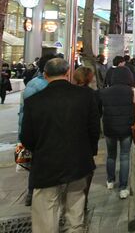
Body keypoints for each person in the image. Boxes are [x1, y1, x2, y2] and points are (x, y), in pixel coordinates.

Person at [21, 58, 100, 233]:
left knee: (45, 215)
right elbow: (94, 130)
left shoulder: (34, 101)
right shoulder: (85, 96)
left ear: (45, 75)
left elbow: (26, 137)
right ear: (67, 73)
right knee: (75, 212)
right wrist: (90, 152)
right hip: (78, 162)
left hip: (46, 164)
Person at [98, 66, 135, 199]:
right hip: (126, 128)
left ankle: (110, 181)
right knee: (124, 156)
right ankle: (123, 188)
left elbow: (99, 109)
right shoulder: (132, 91)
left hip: (109, 127)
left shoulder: (104, 92)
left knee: (111, 155)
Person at [18, 54, 56, 206]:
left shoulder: (32, 83)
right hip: (43, 132)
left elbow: (23, 113)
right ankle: (38, 194)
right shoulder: (45, 85)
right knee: (42, 164)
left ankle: (32, 192)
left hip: (32, 132)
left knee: (35, 165)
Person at [73, 66, 98, 210]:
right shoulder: (91, 95)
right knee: (84, 176)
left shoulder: (68, 93)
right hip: (85, 144)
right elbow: (94, 124)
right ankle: (82, 204)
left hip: (68, 144)